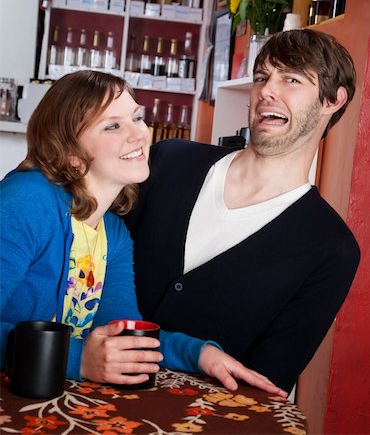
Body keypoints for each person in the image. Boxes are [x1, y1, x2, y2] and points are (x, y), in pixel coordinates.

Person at [0, 70, 287, 396]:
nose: (138, 134)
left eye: (136, 117)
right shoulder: (26, 200)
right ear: (71, 154)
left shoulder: (112, 232)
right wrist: (77, 360)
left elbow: (122, 333)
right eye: (112, 125)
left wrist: (199, 354)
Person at [125, 29, 361, 393]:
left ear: (333, 99)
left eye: (291, 80)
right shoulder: (168, 161)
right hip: (79, 395)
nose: (267, 90)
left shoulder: (331, 249)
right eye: (263, 77)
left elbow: (262, 386)